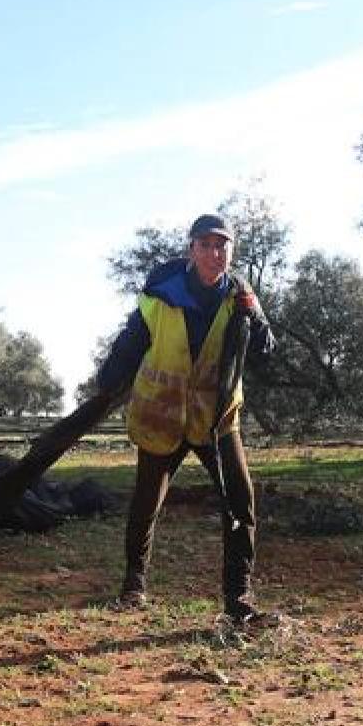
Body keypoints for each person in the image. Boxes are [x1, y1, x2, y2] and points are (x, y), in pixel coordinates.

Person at [95, 214, 275, 624]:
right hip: (162, 416)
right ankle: (133, 586)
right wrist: (106, 384)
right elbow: (130, 343)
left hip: (216, 420)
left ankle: (238, 601)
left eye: (223, 246)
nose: (215, 253)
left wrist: (256, 317)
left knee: (241, 505)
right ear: (191, 249)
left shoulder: (241, 297)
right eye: (207, 245)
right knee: (146, 504)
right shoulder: (159, 295)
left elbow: (265, 352)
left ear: (232, 251)